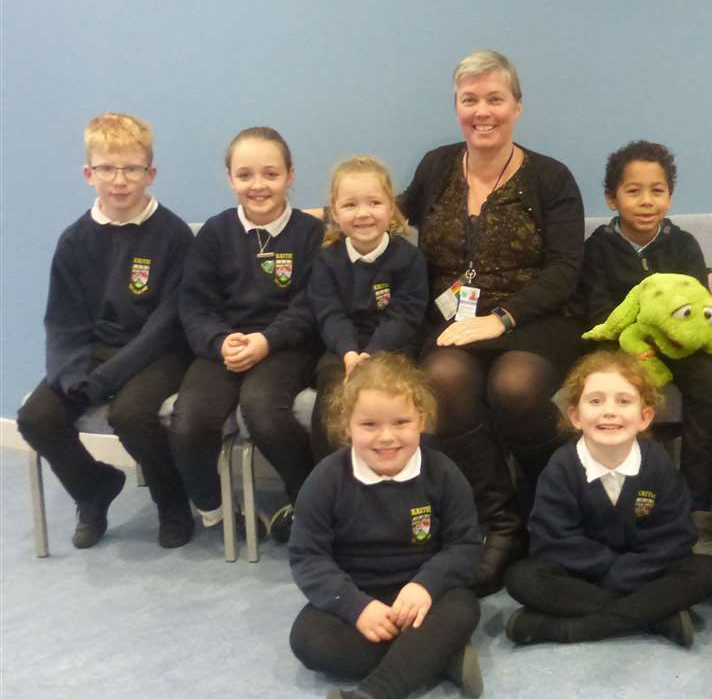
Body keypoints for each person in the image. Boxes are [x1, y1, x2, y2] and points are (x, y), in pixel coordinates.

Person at [399, 49, 585, 595]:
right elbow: (391, 215)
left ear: (518, 106)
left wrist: (500, 319)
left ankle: (545, 503)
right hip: (453, 319)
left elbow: (566, 271)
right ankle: (499, 524)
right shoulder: (436, 166)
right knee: (445, 380)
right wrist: (313, 213)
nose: (483, 111)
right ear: (457, 106)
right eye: (470, 100)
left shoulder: (551, 178)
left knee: (515, 386)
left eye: (495, 99)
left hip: (535, 316)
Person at [288, 353, 483, 699]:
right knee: (307, 640)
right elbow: (308, 558)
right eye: (369, 425)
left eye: (401, 423)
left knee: (464, 606)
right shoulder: (326, 480)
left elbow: (466, 546)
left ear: (422, 421)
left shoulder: (443, 473)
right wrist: (355, 606)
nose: (386, 437)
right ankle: (438, 656)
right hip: (358, 597)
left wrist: (426, 584)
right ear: (346, 427)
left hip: (423, 599)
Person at [16, 113, 195, 548]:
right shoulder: (74, 240)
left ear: (150, 173)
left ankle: (172, 502)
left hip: (158, 352)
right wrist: (71, 375)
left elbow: (167, 324)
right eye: (107, 169)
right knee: (36, 418)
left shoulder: (173, 234)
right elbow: (63, 323)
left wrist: (104, 381)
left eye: (132, 168)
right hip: (96, 353)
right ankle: (93, 488)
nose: (119, 180)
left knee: (131, 415)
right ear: (88, 174)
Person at [503, 350, 712, 647]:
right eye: (595, 401)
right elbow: (553, 539)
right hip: (579, 576)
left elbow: (675, 536)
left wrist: (625, 572)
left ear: (645, 416)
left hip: (642, 573)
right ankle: (657, 617)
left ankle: (563, 630)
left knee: (707, 571)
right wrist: (607, 568)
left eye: (624, 401)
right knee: (522, 577)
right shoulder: (562, 467)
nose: (609, 411)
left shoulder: (657, 463)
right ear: (575, 416)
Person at [575, 140, 712, 555]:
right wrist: (634, 342)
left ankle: (698, 508)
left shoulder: (683, 245)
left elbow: (698, 308)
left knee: (711, 385)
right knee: (608, 389)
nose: (647, 202)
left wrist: (669, 340)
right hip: (621, 346)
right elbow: (596, 311)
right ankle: (621, 509)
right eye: (634, 191)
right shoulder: (597, 249)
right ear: (612, 198)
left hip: (679, 347)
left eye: (657, 191)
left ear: (670, 195)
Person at [169, 126, 323, 535]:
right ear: (230, 178)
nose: (259, 185)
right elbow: (195, 304)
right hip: (224, 344)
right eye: (246, 175)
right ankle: (216, 509)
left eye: (271, 174)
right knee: (189, 420)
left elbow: (312, 304)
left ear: (290, 175)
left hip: (286, 346)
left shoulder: (311, 234)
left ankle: (308, 503)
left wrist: (266, 340)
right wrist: (221, 340)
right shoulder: (215, 234)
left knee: (263, 411)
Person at [305, 155, 427, 468]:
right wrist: (349, 354)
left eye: (374, 202)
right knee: (332, 395)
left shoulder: (409, 258)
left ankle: (401, 479)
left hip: (394, 349)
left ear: (391, 206)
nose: (363, 214)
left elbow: (405, 314)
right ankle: (332, 480)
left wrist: (371, 355)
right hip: (341, 351)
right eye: (350, 205)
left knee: (401, 396)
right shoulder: (326, 260)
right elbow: (329, 313)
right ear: (334, 210)